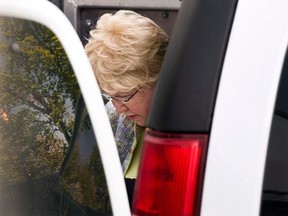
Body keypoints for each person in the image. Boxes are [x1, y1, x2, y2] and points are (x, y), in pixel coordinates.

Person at [85, 10, 168, 205]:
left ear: (159, 79)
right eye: (110, 96)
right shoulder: (111, 116)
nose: (118, 108)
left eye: (123, 97)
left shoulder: (190, 129)